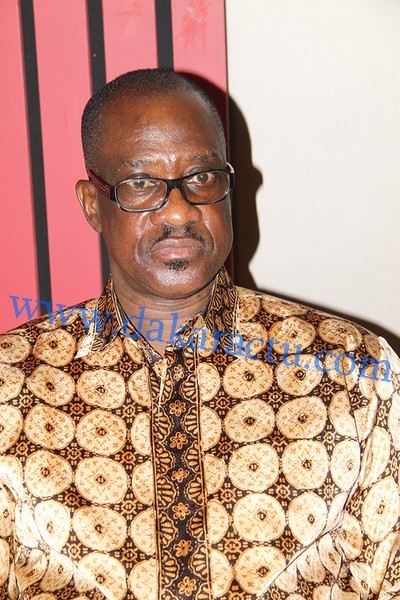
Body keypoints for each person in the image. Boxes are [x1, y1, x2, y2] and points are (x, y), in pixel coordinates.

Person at [0, 69, 399, 600]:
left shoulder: (352, 371)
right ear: (93, 205)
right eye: (140, 184)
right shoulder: (12, 382)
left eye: (202, 177)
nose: (180, 209)